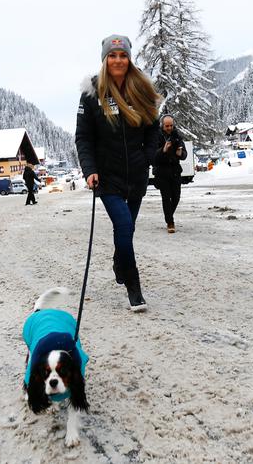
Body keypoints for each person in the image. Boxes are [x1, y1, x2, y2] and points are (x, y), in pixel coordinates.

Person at [75, 34, 159, 312]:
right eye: (112, 55)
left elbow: (153, 129)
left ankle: (119, 259)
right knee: (123, 226)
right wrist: (90, 170)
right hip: (107, 177)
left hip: (136, 176)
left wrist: (146, 158)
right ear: (104, 59)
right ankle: (134, 289)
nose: (118, 60)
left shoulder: (141, 90)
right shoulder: (92, 94)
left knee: (128, 229)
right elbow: (83, 138)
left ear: (129, 59)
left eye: (123, 55)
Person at [153, 115, 187, 233]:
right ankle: (170, 222)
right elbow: (153, 157)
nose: (169, 128)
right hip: (162, 172)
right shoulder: (156, 136)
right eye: (167, 126)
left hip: (175, 171)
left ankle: (168, 215)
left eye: (171, 125)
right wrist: (163, 150)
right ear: (162, 125)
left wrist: (180, 153)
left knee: (176, 197)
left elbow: (184, 155)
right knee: (166, 198)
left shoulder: (177, 136)